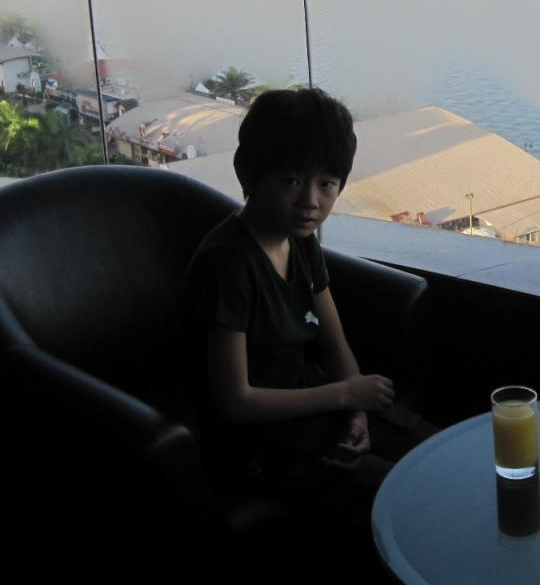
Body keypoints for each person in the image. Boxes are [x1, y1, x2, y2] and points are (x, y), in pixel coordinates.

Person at [180, 86, 426, 517]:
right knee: (408, 500)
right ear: (250, 174)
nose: (311, 202)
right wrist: (346, 394)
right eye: (292, 180)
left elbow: (334, 343)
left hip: (314, 406)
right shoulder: (229, 263)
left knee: (437, 452)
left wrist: (356, 413)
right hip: (260, 442)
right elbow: (235, 401)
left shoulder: (300, 241)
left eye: (327, 184)